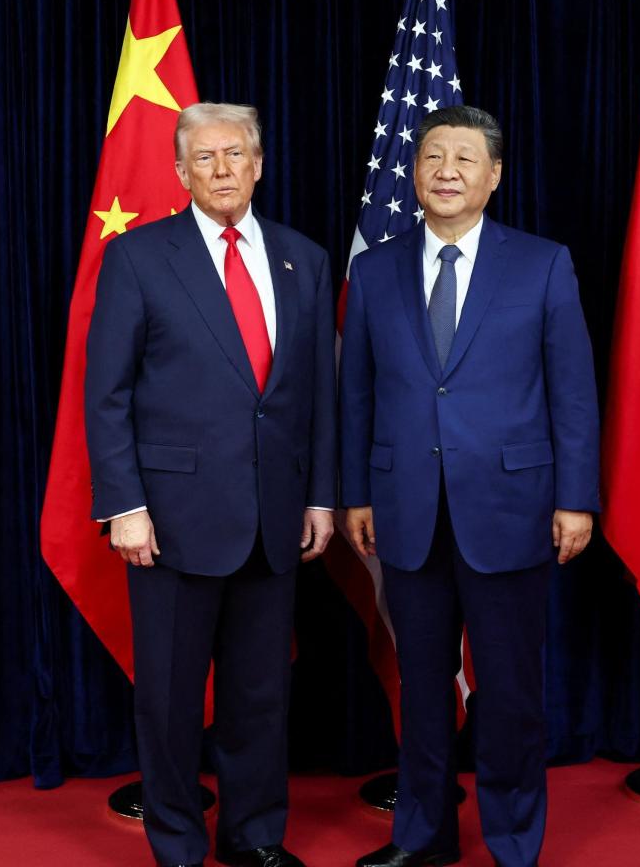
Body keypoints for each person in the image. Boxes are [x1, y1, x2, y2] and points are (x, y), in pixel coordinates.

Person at [339, 105, 599, 867]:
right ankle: (423, 836)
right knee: (421, 691)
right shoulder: (374, 268)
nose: (445, 170)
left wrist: (575, 498)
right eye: (432, 157)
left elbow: (572, 393)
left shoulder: (542, 263)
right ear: (413, 174)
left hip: (513, 511)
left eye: (463, 158)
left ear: (493, 177)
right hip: (405, 512)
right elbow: (356, 394)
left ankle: (516, 841)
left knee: (512, 694)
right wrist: (357, 492)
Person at [85, 102, 337, 867]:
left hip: (274, 518)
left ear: (259, 164)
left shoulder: (305, 259)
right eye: (205, 158)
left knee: (261, 695)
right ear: (180, 171)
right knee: (167, 698)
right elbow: (108, 394)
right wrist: (125, 507)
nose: (223, 170)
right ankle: (178, 844)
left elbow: (316, 394)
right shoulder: (138, 257)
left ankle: (255, 836)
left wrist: (320, 495)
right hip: (170, 520)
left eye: (236, 155)